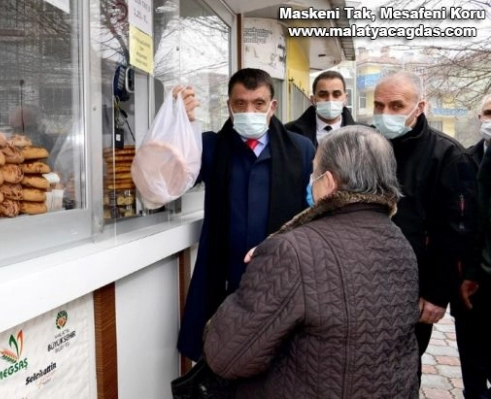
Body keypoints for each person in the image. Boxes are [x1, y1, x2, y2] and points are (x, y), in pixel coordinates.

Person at [202, 126, 420, 398]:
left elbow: (227, 355)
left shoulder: (293, 251)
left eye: (313, 171)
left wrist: (263, 273)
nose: (309, 179)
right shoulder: (399, 242)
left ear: (328, 183)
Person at [177, 68, 315, 361]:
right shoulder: (211, 147)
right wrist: (183, 124)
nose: (249, 111)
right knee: (223, 354)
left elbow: (312, 211)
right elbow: (177, 177)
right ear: (229, 105)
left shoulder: (300, 149)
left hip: (281, 275)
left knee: (277, 358)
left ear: (272, 106)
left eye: (258, 104)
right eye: (240, 104)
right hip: (225, 273)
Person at [372, 70, 480, 384]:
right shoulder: (365, 143)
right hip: (364, 280)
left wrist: (436, 294)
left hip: (414, 289)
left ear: (420, 107)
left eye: (395, 105)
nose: (385, 114)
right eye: (379, 106)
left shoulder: (448, 155)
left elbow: (457, 232)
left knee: (403, 369)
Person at [458, 94, 491, 399]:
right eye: (489, 112)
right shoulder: (463, 160)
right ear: (480, 117)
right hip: (472, 283)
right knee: (473, 371)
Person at [285, 70, 357, 147]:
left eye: (336, 94)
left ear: (345, 99)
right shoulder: (289, 132)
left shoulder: (362, 135)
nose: (330, 100)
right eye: (323, 95)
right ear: (313, 100)